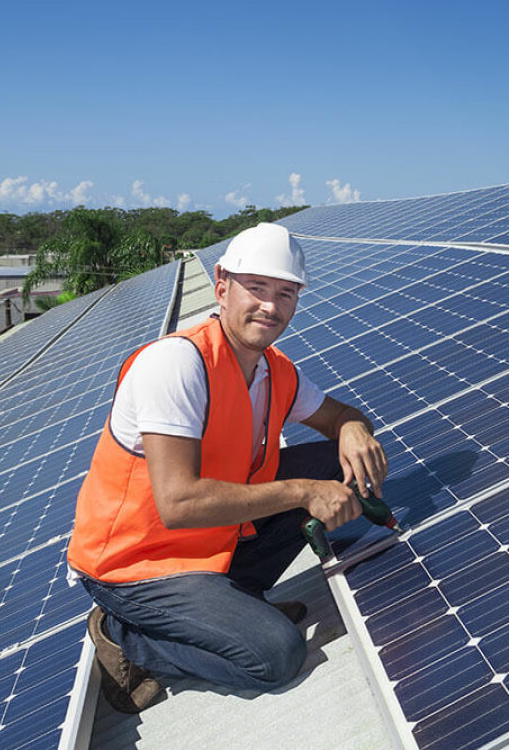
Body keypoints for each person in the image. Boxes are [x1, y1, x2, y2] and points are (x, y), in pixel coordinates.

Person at [67, 222, 386, 714]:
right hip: (136, 565)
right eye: (256, 288)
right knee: (276, 655)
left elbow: (341, 416)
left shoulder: (275, 369)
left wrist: (352, 428)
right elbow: (177, 503)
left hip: (211, 541)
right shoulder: (177, 365)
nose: (271, 306)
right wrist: (302, 491)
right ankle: (123, 634)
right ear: (221, 287)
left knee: (339, 461)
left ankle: (235, 601)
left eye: (285, 292)